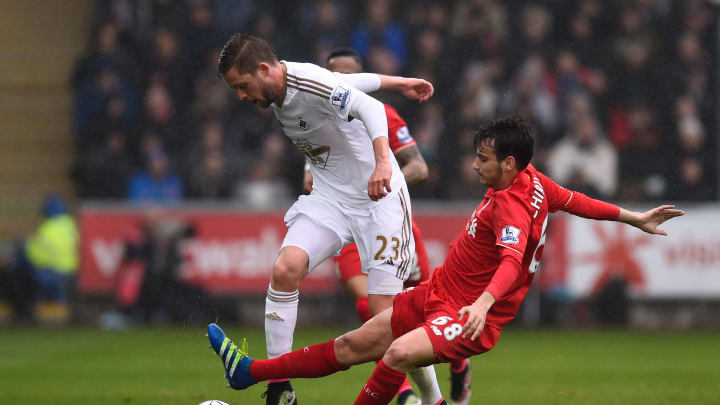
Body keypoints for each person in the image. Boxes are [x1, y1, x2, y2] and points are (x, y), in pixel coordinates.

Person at [205, 116, 685, 405]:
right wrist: (633, 217)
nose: (475, 165)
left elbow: (513, 260)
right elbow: (579, 201)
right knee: (354, 344)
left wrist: (482, 305)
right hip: (436, 293)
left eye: (483, 159)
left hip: (466, 313)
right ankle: (248, 372)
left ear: (508, 165)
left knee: (395, 354)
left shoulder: (511, 204)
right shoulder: (536, 183)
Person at [216, 33, 436, 405]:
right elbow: (348, 83)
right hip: (332, 198)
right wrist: (399, 82)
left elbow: (371, 108)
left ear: (264, 69)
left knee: (388, 320)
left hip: (378, 199)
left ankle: (432, 399)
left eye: (242, 85)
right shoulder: (284, 89)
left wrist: (384, 162)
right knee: (286, 268)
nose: (241, 95)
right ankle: (280, 387)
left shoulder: (304, 81)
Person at [306, 47, 469, 405]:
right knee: (372, 310)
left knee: (434, 310)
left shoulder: (385, 116)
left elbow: (420, 168)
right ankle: (407, 392)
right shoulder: (315, 120)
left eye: (349, 76)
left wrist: (386, 179)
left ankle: (459, 366)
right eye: (335, 75)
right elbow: (309, 181)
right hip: (349, 228)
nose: (341, 82)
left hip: (392, 224)